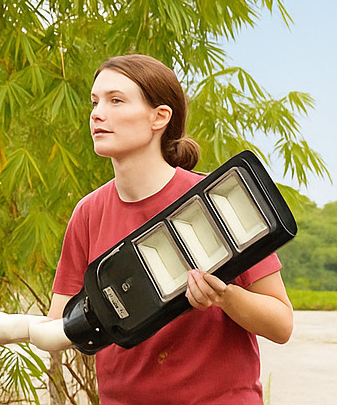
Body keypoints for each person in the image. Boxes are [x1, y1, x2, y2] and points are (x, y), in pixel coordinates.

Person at [47, 54, 293, 405]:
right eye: (95, 101)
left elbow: (281, 324)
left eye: (116, 100)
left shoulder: (220, 200)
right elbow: (60, 324)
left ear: (160, 117)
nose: (98, 113)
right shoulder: (88, 213)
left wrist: (223, 297)